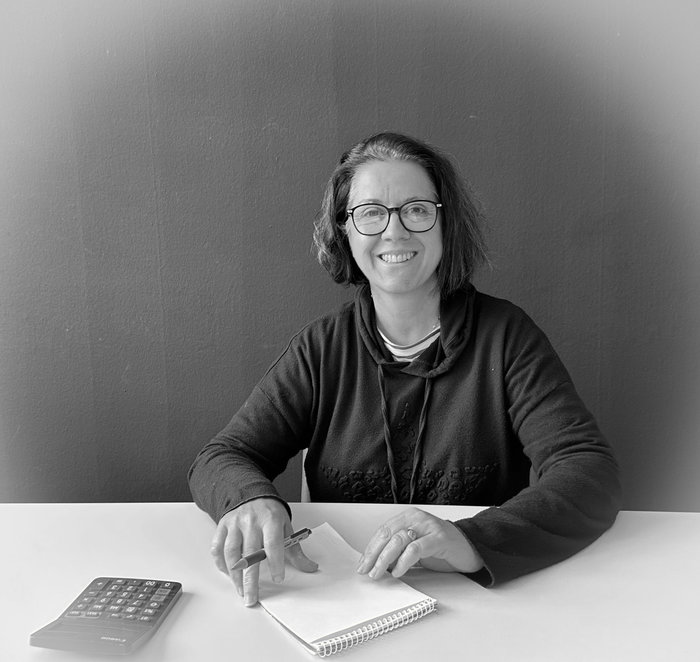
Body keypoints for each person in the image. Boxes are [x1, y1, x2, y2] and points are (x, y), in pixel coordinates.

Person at [188, 131, 622, 606]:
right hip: (344, 600)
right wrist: (249, 499)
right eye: (371, 213)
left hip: (479, 604)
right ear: (345, 230)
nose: (394, 232)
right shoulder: (320, 348)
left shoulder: (507, 337)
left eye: (416, 210)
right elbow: (222, 456)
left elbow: (588, 472)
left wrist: (470, 540)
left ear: (445, 224)